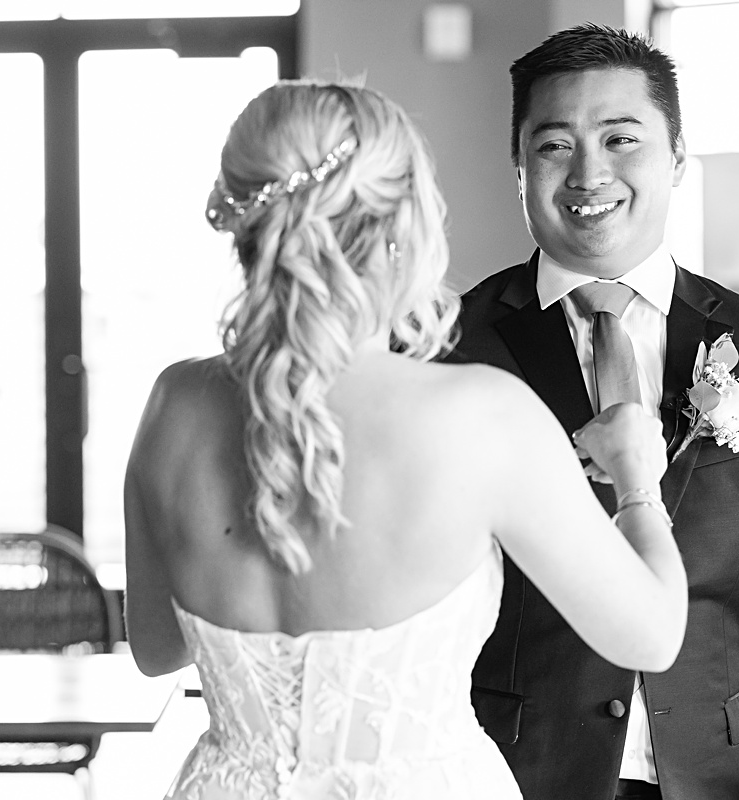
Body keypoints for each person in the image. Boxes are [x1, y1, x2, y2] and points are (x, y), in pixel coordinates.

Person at [123, 78, 688, 800]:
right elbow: (652, 637)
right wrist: (638, 479)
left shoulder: (173, 405)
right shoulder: (481, 415)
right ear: (400, 224)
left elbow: (154, 648)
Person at [454, 24, 739, 800]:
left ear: (676, 157)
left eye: (621, 139)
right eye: (554, 146)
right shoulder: (449, 347)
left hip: (714, 778)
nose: (588, 173)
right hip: (508, 776)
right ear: (519, 165)